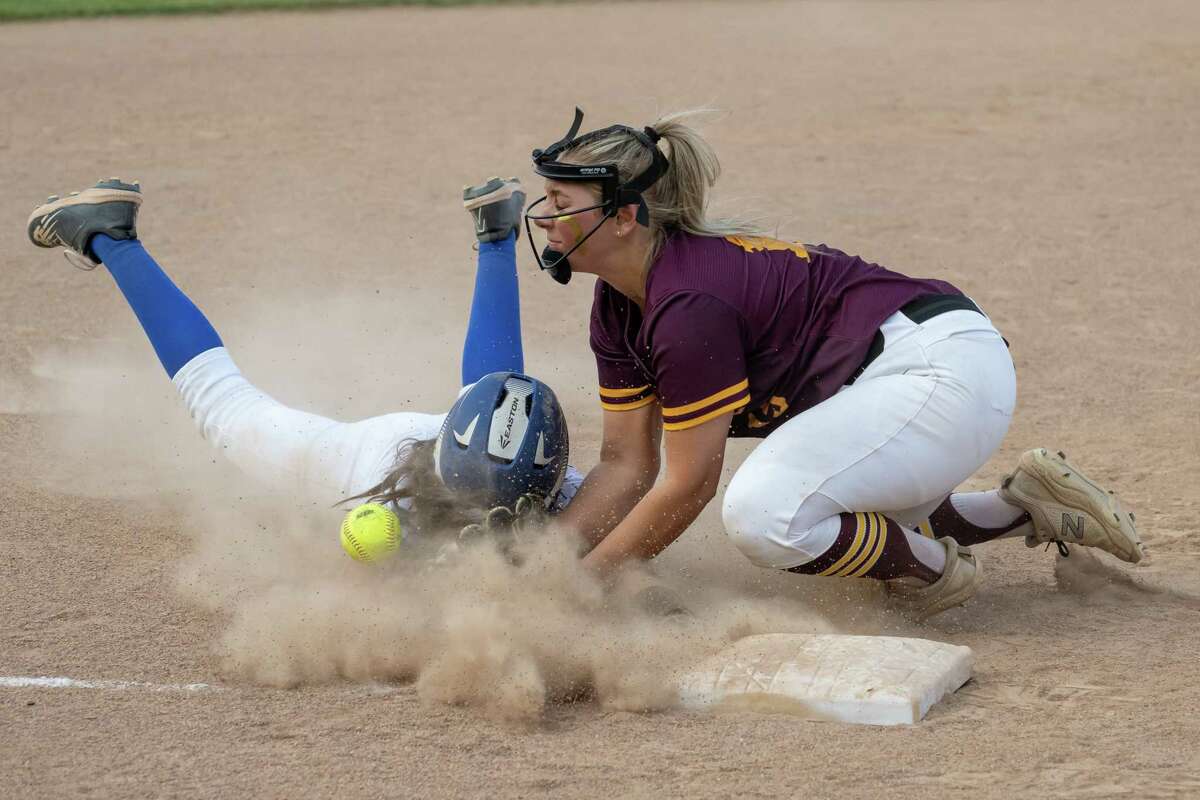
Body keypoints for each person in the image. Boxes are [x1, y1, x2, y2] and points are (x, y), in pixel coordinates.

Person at [521, 108, 1143, 618]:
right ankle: (1020, 505)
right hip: (907, 368)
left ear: (625, 217)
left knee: (766, 514)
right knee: (828, 498)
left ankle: (935, 573)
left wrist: (581, 590)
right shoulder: (619, 304)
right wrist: (544, 567)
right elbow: (625, 465)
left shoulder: (687, 303)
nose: (544, 218)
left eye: (560, 200)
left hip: (938, 372)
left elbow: (687, 486)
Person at [25, 176, 580, 536]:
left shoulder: (554, 475)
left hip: (474, 446)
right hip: (377, 462)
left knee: (501, 403)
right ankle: (109, 235)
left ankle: (497, 235)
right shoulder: (382, 500)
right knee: (224, 411)